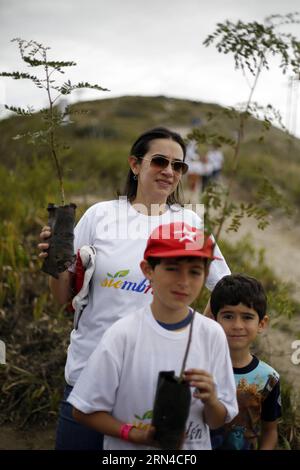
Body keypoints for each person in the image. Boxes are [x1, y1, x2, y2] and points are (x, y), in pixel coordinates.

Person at [38, 127, 231, 450]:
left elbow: (224, 287)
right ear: (135, 164)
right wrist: (54, 262)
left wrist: (199, 334)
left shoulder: (190, 223)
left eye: (178, 165)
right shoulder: (100, 216)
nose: (169, 171)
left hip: (156, 384)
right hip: (88, 372)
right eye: (159, 161)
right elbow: (63, 299)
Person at [68, 222, 238, 450]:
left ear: (206, 274)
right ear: (148, 270)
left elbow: (217, 420)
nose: (184, 281)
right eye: (172, 268)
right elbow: (83, 410)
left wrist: (211, 400)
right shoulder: (122, 335)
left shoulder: (212, 334)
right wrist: (133, 434)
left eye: (195, 271)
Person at [209, 274, 282, 450]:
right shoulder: (199, 367)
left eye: (247, 317)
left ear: (262, 323)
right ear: (213, 320)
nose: (237, 325)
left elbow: (270, 431)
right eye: (228, 316)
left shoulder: (268, 378)